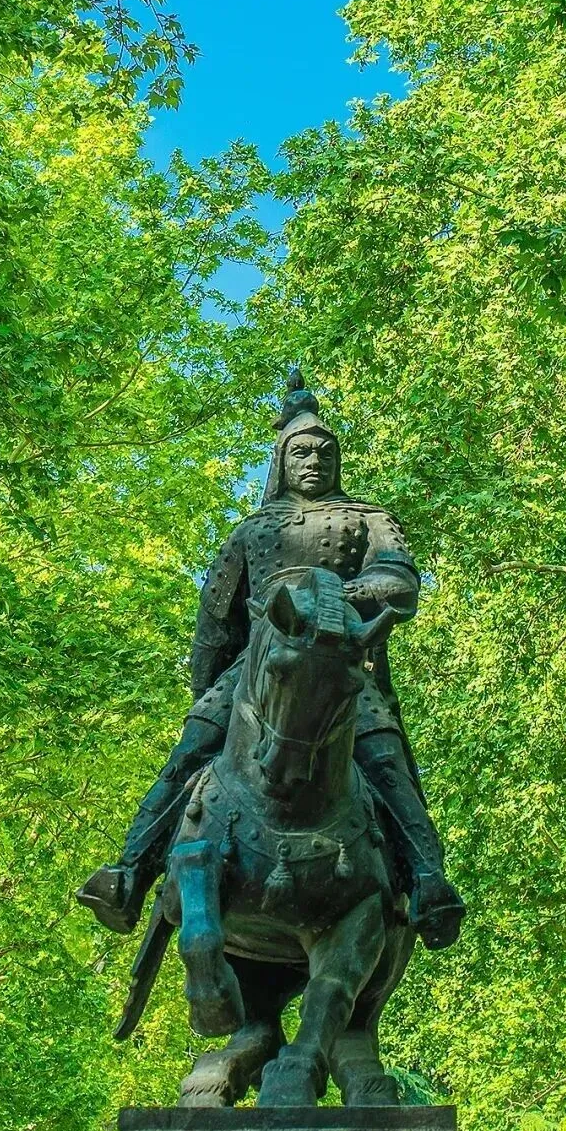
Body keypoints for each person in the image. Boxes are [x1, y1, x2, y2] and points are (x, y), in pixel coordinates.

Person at [79, 374, 465, 950]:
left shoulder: (368, 519)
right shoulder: (252, 531)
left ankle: (429, 882)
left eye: (325, 453)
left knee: (385, 761)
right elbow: (215, 622)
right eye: (301, 453)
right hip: (259, 665)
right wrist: (208, 693)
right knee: (191, 751)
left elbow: (400, 583)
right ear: (282, 461)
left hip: (340, 660)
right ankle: (129, 874)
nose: (314, 462)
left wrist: (338, 595)